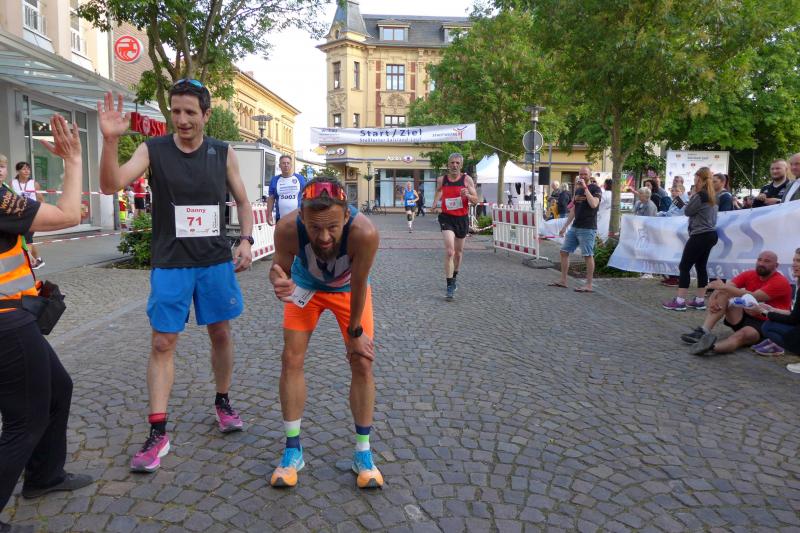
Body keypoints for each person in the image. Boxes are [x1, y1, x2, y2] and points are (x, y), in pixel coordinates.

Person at [97, 83, 254, 473]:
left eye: (190, 112)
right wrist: (110, 142)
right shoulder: (153, 150)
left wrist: (246, 240)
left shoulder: (223, 152)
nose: (181, 120)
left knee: (221, 333)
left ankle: (222, 401)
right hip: (171, 263)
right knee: (162, 341)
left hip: (214, 261)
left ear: (206, 115)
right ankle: (158, 431)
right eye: (176, 111)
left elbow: (243, 200)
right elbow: (110, 184)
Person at [0, 117, 94, 533]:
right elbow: (69, 214)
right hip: (6, 323)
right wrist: (73, 160)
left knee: (58, 387)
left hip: (13, 316)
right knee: (24, 421)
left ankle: (44, 475)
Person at [268, 177, 382, 489]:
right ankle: (293, 451)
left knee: (362, 361)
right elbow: (278, 269)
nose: (324, 236)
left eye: (332, 227)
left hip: (348, 291)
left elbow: (359, 283)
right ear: (301, 216)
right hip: (305, 287)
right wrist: (278, 281)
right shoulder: (287, 229)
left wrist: (355, 332)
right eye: (315, 227)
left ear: (346, 215)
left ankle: (363, 453)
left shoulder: (365, 233)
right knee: (291, 359)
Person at [682, 251, 792, 356]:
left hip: (766, 323)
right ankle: (703, 330)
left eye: (767, 261)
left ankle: (711, 347)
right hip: (745, 315)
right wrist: (713, 299)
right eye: (759, 260)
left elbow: (754, 296)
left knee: (740, 336)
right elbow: (726, 287)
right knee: (724, 293)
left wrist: (723, 287)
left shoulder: (780, 281)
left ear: (776, 265)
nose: (761, 263)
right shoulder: (750, 274)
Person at [663, 167, 719, 311]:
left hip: (700, 234)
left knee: (684, 266)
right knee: (701, 266)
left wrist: (692, 197)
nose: (694, 180)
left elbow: (688, 211)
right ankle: (699, 300)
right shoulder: (712, 195)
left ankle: (680, 301)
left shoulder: (700, 195)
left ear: (699, 178)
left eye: (695, 178)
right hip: (710, 234)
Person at [432, 153, 479, 300]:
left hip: (461, 219)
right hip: (446, 218)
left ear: (461, 165)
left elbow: (476, 200)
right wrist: (435, 203)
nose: (454, 165)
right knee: (450, 251)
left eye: (457, 163)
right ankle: (449, 285)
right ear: (448, 164)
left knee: (458, 253)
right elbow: (439, 190)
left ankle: (454, 276)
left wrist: (468, 195)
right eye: (452, 162)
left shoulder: (467, 179)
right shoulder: (442, 180)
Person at [550, 166, 601, 292]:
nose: (582, 176)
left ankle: (589, 285)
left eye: (585, 174)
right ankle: (563, 280)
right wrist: (565, 226)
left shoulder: (595, 189)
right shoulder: (578, 190)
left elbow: (594, 204)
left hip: (588, 227)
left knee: (587, 255)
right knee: (564, 251)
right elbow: (573, 209)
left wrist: (585, 188)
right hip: (575, 226)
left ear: (590, 175)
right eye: (580, 174)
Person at [749, 248, 800, 360]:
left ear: (776, 265)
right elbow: (796, 314)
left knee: (768, 326)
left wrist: (765, 312)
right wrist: (772, 309)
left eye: (799, 261)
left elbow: (794, 319)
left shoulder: (780, 280)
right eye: (794, 260)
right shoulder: (798, 282)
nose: (794, 264)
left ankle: (783, 347)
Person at [12, 162, 45, 269]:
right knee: (27, 239)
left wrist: (42, 214)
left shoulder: (34, 184)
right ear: (18, 171)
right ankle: (38, 259)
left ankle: (27, 265)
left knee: (27, 239)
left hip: (32, 215)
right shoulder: (12, 183)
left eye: (28, 169)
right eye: (23, 169)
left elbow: (40, 200)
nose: (27, 171)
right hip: (18, 216)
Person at [267, 155, 306, 226]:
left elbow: (306, 196)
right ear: (279, 165)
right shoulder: (275, 180)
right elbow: (271, 198)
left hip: (298, 217)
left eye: (288, 163)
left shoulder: (300, 178)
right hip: (280, 218)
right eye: (283, 163)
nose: (286, 165)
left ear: (291, 165)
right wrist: (269, 214)